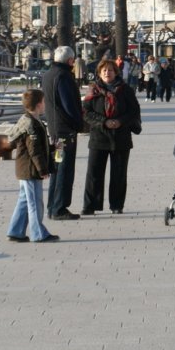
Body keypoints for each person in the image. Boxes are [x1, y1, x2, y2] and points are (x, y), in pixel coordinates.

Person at [81, 59, 142, 215]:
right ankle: (90, 205)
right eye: (104, 71)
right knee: (94, 173)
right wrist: (104, 122)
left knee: (119, 174)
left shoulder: (126, 90)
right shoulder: (93, 90)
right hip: (99, 136)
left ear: (116, 72)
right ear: (100, 73)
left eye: (110, 70)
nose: (107, 73)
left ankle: (117, 205)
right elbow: (86, 112)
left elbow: (134, 111)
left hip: (121, 137)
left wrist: (119, 121)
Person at [6, 89, 59, 243]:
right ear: (38, 105)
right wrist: (42, 170)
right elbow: (34, 150)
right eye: (43, 102)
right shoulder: (32, 125)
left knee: (24, 200)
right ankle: (39, 234)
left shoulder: (30, 120)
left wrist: (53, 147)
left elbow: (39, 147)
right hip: (30, 169)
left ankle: (15, 231)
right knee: (35, 202)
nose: (45, 105)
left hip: (25, 168)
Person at [41, 46, 84, 220]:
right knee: (64, 170)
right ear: (70, 61)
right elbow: (69, 105)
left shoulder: (48, 75)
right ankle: (59, 208)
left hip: (54, 129)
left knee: (57, 169)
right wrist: (78, 124)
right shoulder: (64, 77)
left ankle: (53, 206)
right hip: (65, 132)